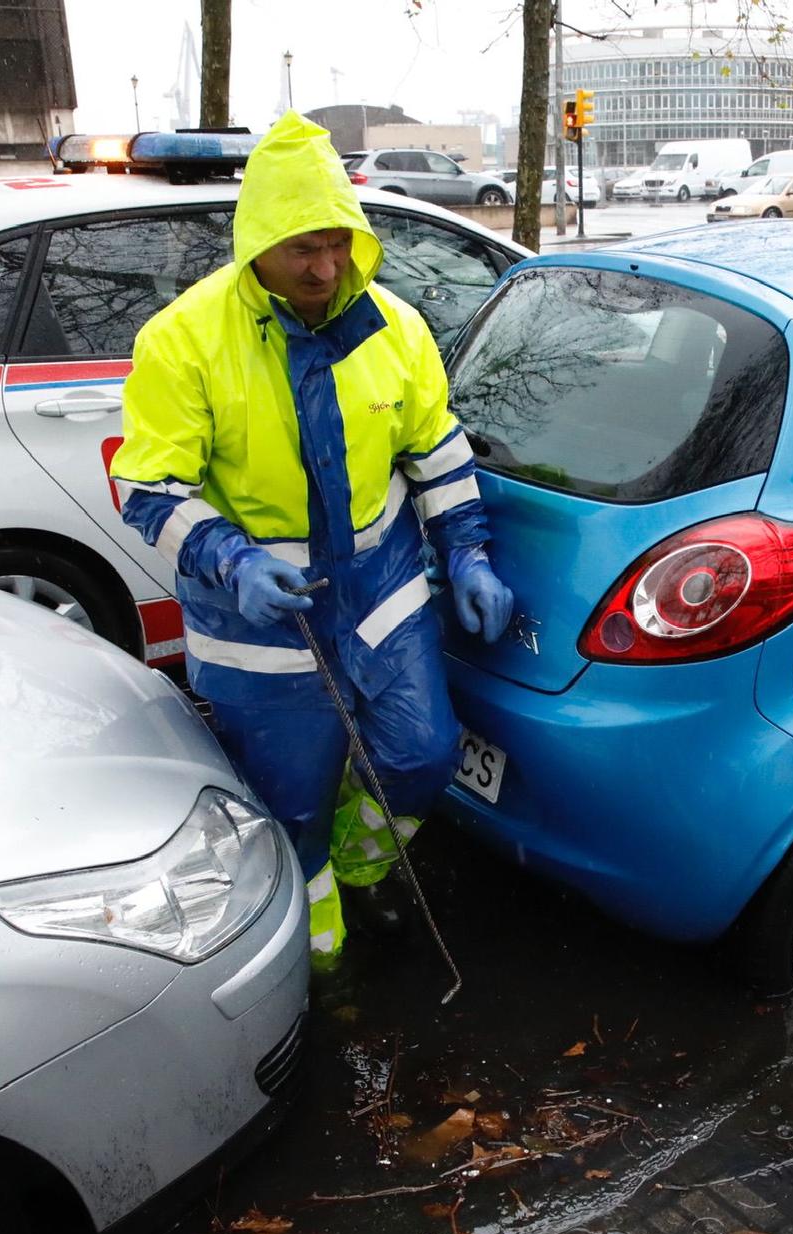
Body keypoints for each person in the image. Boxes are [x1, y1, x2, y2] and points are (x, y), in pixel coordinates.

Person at [110, 112, 513, 959]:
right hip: (258, 616)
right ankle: (315, 946)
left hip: (382, 591)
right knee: (287, 800)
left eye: (339, 245)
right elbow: (146, 485)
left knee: (423, 754)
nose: (326, 269)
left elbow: (436, 453)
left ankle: (361, 870)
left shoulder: (394, 328)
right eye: (304, 250)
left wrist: (468, 552)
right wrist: (231, 559)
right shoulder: (183, 341)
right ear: (257, 242)